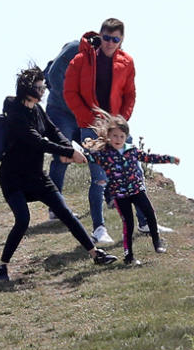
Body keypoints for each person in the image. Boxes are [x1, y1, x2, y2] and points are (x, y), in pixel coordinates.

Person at [0, 66, 117, 282]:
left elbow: (53, 132)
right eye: (39, 87)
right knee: (23, 220)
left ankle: (95, 254)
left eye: (43, 86)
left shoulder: (38, 111)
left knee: (65, 212)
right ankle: (2, 266)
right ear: (28, 89)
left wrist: (68, 146)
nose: (43, 91)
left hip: (36, 176)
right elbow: (38, 142)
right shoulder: (16, 115)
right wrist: (69, 152)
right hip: (13, 178)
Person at [63, 18, 152, 244]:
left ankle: (144, 222)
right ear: (100, 36)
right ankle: (99, 228)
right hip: (91, 127)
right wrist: (88, 119)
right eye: (106, 38)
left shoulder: (127, 62)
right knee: (99, 179)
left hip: (117, 126)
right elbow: (70, 93)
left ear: (121, 40)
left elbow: (130, 93)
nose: (110, 43)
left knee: (135, 174)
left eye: (115, 39)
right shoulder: (80, 60)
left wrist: (121, 118)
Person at [83, 111, 180, 266]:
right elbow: (86, 158)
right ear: (108, 136)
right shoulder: (104, 154)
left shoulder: (132, 150)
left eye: (121, 136)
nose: (118, 139)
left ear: (126, 137)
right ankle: (129, 256)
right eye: (115, 136)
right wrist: (70, 155)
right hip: (120, 194)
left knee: (150, 214)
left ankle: (157, 242)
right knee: (128, 224)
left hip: (137, 190)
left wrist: (169, 159)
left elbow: (150, 158)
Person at [44, 39, 82, 221]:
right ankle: (56, 209)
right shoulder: (76, 47)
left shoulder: (104, 61)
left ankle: (111, 198)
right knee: (62, 157)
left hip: (81, 115)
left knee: (100, 151)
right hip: (60, 112)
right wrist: (70, 100)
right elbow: (52, 74)